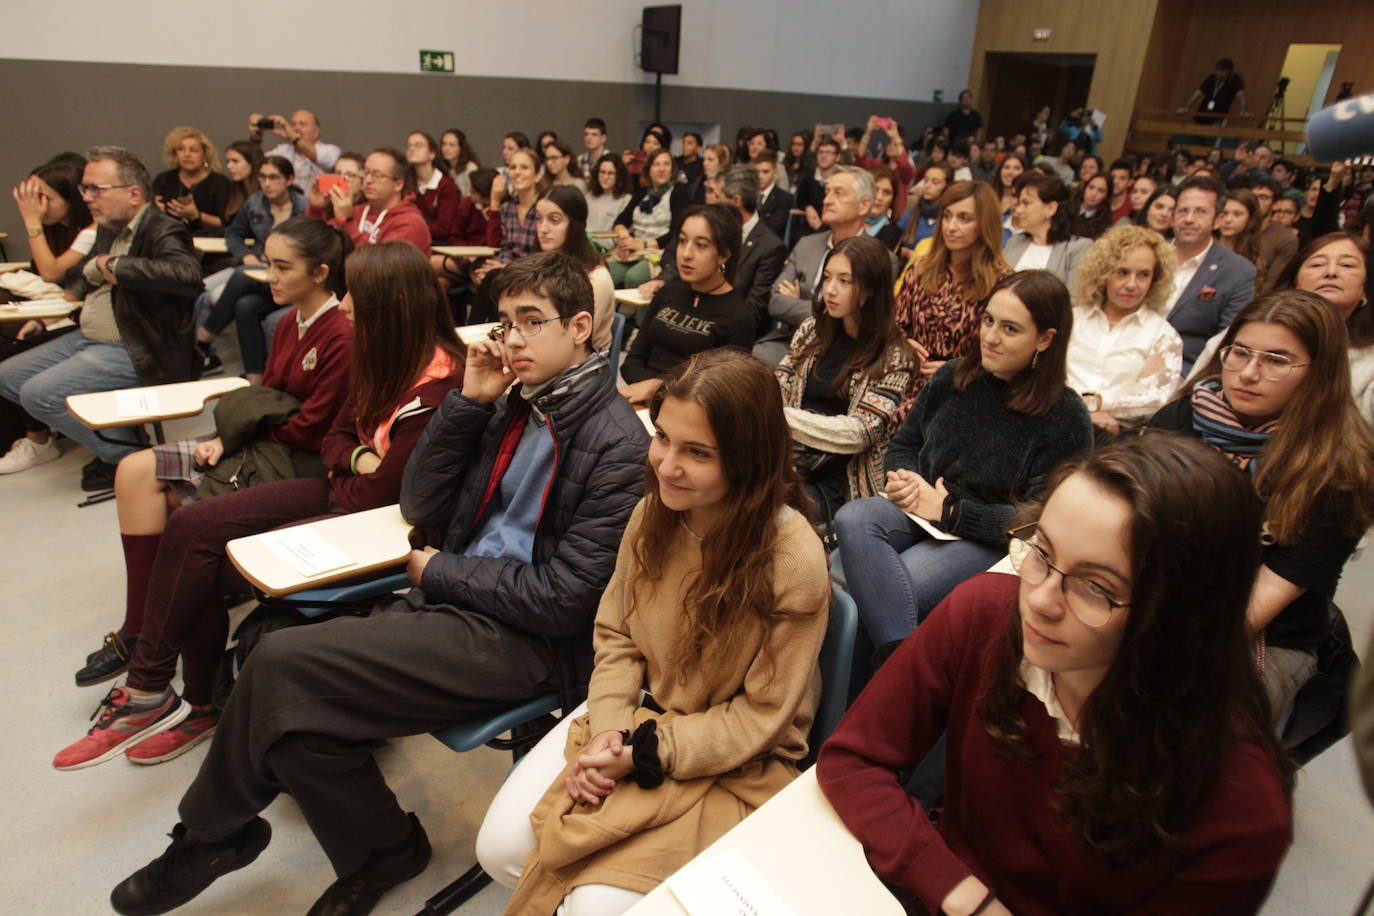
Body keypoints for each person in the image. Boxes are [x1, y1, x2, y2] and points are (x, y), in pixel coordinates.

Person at [108, 251, 649, 916]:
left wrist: (442, 571)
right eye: (504, 324)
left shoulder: (619, 445)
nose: (509, 340)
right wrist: (468, 403)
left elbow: (566, 602)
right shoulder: (512, 403)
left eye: (530, 322)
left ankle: (205, 841)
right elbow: (420, 504)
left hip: (528, 645)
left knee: (280, 662)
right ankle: (383, 849)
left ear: (581, 328)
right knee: (273, 657)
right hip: (456, 601)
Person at [819, 432, 1294, 915]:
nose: (1040, 601)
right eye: (1041, 552)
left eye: (1095, 587)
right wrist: (961, 893)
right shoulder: (984, 612)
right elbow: (853, 758)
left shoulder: (1241, 809)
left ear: (1179, 618)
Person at [52, 241, 464, 771]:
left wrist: (353, 465)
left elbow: (385, 495)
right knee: (189, 526)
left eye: (353, 295)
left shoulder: (439, 385)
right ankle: (152, 690)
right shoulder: (380, 352)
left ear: (389, 305)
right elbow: (335, 437)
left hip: (378, 527)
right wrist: (358, 457)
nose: (342, 306)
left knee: (205, 565)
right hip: (342, 495)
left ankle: (193, 702)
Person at [475, 347, 829, 915]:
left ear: (749, 460)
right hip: (634, 718)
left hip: (729, 759)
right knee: (498, 851)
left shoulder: (793, 559)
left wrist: (645, 752)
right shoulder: (653, 513)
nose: (666, 464)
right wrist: (609, 732)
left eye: (697, 452)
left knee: (589, 904)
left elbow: (762, 717)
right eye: (662, 437)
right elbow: (616, 635)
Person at [834, 268, 1091, 652]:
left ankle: (896, 670)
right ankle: (901, 665)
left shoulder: (1065, 416)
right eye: (988, 320)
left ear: (1045, 339)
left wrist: (952, 512)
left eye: (1010, 329)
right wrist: (905, 479)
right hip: (921, 508)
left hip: (983, 534)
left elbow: (1042, 518)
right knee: (851, 516)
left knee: (905, 587)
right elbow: (905, 443)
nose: (990, 336)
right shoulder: (954, 375)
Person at [1150, 291, 1374, 716]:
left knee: (1205, 714)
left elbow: (1255, 608)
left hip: (1264, 630)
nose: (1248, 373)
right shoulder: (1182, 418)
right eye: (1240, 353)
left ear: (1319, 374)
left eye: (1276, 360)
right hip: (1159, 591)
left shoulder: (1340, 468)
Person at [0, 147, 201, 490]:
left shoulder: (162, 227)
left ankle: (128, 457)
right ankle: (123, 438)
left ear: (134, 194)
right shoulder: (111, 227)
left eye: (96, 189)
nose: (87, 198)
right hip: (93, 337)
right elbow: (83, 278)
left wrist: (113, 266)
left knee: (38, 394)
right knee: (8, 375)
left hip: (140, 346)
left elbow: (187, 275)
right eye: (84, 189)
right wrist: (54, 316)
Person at [776, 235, 916, 522]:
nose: (830, 289)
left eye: (845, 281)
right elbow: (780, 383)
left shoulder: (894, 357)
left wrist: (780, 417)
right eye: (827, 278)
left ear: (871, 290)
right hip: (789, 461)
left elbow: (860, 433)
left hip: (840, 480)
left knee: (766, 512)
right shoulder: (811, 331)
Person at [0, 159, 95, 471]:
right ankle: (23, 433)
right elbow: (52, 284)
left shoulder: (92, 231)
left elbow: (51, 272)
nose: (38, 207)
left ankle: (38, 440)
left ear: (72, 198)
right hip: (67, 314)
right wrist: (41, 319)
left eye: (45, 198)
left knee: (14, 352)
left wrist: (31, 222)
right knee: (10, 337)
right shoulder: (58, 230)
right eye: (32, 199)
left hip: (93, 325)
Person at [755, 166, 896, 367]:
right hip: (789, 341)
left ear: (864, 205)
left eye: (838, 193)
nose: (826, 200)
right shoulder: (806, 244)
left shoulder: (882, 259)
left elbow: (867, 316)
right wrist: (830, 308)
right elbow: (776, 302)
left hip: (847, 351)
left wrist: (803, 304)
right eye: (827, 192)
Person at [620, 204, 753, 405]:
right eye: (682, 241)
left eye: (701, 245)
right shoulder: (668, 292)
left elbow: (721, 394)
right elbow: (632, 361)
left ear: (724, 255)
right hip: (640, 401)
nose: (686, 254)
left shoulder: (738, 316)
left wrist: (659, 388)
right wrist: (649, 391)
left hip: (687, 416)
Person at [893, 181, 1011, 397]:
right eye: (947, 216)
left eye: (964, 218)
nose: (951, 226)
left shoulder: (1003, 284)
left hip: (967, 390)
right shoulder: (921, 269)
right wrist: (905, 345)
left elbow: (1007, 354)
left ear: (984, 224)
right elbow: (894, 326)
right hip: (909, 380)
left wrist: (961, 369)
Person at [195, 157, 307, 382]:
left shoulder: (304, 207)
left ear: (289, 179)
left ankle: (204, 337)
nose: (267, 183)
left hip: (288, 277)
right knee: (245, 305)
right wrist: (245, 254)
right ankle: (255, 378)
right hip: (258, 269)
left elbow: (310, 248)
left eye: (273, 177)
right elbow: (233, 233)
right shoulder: (256, 202)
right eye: (262, 177)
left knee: (240, 275)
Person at [1068, 225, 1183, 437]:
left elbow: (1154, 398)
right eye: (1122, 272)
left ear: (1155, 279)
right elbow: (1049, 376)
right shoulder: (1073, 319)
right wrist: (1084, 411)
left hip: (1121, 436)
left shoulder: (1162, 334)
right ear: (1103, 273)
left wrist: (1100, 404)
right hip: (1061, 421)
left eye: (1143, 275)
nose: (1132, 284)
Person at [1166, 176, 1256, 371]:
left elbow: (1228, 339)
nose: (1189, 219)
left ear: (1218, 220)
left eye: (1201, 212)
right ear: (1172, 216)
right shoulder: (1147, 255)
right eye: (1183, 211)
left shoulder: (1237, 271)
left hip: (1185, 370)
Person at [535, 185, 613, 350]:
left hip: (582, 361)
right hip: (544, 347)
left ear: (575, 225)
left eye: (554, 220)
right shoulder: (541, 263)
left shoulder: (597, 278)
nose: (543, 229)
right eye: (539, 218)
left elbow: (576, 339)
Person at [608, 149, 690, 289]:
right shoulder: (641, 192)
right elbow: (621, 221)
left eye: (666, 164)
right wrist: (624, 240)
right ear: (649, 169)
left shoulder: (679, 192)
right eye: (656, 164)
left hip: (658, 252)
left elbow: (676, 231)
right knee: (605, 273)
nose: (661, 169)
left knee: (634, 277)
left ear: (672, 169)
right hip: (634, 250)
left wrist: (643, 245)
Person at [330, 147, 432, 255]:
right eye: (366, 173)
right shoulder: (357, 210)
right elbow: (322, 246)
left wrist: (346, 222)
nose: (368, 180)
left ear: (398, 184)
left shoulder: (410, 223)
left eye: (377, 175)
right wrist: (317, 208)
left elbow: (377, 267)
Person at [1003, 172, 1090, 291]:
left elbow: (1074, 299)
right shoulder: (1014, 242)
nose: (1018, 210)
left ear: (1051, 208)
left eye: (1026, 203)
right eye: (1019, 203)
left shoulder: (1078, 248)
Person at [151, 127, 231, 233]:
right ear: (175, 154)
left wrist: (196, 215)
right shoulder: (164, 180)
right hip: (169, 240)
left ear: (205, 155)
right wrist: (153, 210)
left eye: (193, 150)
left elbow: (226, 224)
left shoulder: (220, 183)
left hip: (209, 243)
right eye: (181, 149)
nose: (187, 155)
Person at [247, 108, 341, 194]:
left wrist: (293, 137)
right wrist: (256, 140)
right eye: (293, 124)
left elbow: (322, 158)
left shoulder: (331, 150)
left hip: (318, 210)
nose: (297, 128)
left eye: (302, 124)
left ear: (317, 130)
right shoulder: (283, 151)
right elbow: (256, 165)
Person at [404, 131, 460, 245]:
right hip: (409, 241)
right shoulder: (404, 184)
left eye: (418, 145)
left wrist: (412, 230)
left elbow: (443, 228)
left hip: (436, 244)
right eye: (409, 146)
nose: (412, 149)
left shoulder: (447, 186)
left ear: (432, 154)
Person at [856, 117, 916, 215]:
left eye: (894, 145)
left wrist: (896, 137)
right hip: (873, 209)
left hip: (896, 213)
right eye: (889, 144)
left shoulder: (905, 170)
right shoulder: (879, 163)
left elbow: (904, 162)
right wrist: (868, 131)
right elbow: (860, 158)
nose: (890, 146)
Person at [1180, 57, 1251, 124]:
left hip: (1219, 115)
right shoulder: (1212, 78)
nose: (1218, 72)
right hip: (1203, 112)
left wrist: (1243, 110)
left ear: (1228, 71)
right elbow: (1198, 93)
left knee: (1213, 134)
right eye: (1217, 70)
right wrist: (1187, 107)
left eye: (1221, 70)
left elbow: (1241, 96)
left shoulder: (1235, 79)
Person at [1218, 188, 1264, 273]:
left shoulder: (1254, 257)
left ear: (1250, 219)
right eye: (1224, 213)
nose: (1228, 220)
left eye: (1237, 214)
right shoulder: (1203, 246)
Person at [585, 153, 633, 234]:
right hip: (586, 244)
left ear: (618, 175)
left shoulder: (626, 199)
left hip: (611, 246)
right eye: (602, 172)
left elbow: (626, 232)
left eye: (610, 173)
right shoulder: (589, 196)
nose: (605, 177)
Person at [221, 140, 263, 227]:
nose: (229, 166)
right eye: (228, 161)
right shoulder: (231, 190)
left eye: (235, 161)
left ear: (252, 163)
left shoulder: (264, 191)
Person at [752, 153, 794, 239]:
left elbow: (773, 229)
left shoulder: (784, 198)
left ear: (775, 172)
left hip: (769, 245)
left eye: (765, 172)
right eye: (757, 172)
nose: (760, 176)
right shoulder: (747, 195)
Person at [864, 165, 904, 252]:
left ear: (892, 199)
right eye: (874, 189)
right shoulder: (846, 221)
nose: (879, 197)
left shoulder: (893, 233)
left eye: (886, 192)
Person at [1068, 174, 1112, 240]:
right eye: (1091, 187)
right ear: (1085, 188)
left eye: (1101, 191)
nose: (1094, 194)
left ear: (1106, 196)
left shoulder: (1104, 223)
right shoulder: (1067, 207)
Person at [439, 128, 481, 197]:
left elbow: (471, 197)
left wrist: (456, 181)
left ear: (461, 148)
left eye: (452, 145)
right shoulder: (442, 167)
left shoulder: (470, 168)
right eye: (444, 144)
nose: (447, 148)